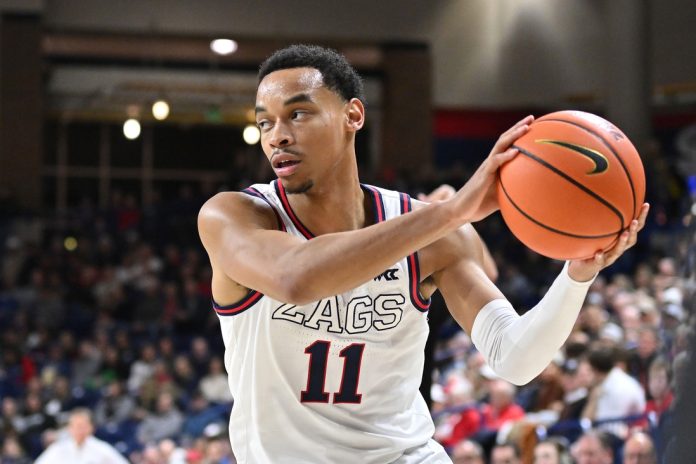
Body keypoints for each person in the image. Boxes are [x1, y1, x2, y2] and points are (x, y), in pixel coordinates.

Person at [197, 44, 650, 463]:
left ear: (353, 115)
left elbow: (514, 359)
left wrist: (577, 275)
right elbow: (295, 279)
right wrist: (451, 212)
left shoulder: (431, 231)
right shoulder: (232, 217)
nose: (277, 136)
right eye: (265, 122)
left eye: (298, 114)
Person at [34, 408, 128, 464]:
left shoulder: (102, 449)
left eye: (83, 426)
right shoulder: (58, 449)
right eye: (76, 426)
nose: (80, 430)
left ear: (91, 428)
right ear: (69, 428)